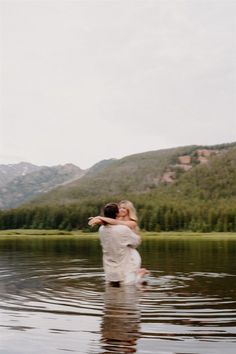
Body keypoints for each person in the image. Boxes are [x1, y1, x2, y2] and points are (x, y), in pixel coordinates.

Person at [89, 200, 149, 283]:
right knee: (122, 280)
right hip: (119, 250)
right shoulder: (114, 221)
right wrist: (102, 221)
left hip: (130, 250)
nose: (121, 209)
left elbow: (116, 222)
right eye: (120, 207)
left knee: (129, 282)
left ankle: (140, 273)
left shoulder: (131, 222)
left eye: (124, 208)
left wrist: (101, 218)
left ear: (129, 210)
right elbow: (111, 224)